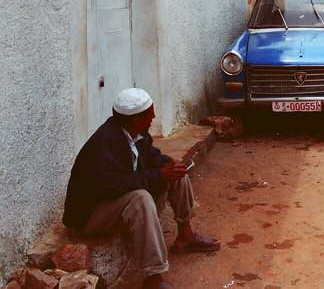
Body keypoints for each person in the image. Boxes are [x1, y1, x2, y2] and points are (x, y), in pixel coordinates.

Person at [63, 89, 219, 289]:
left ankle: (185, 236)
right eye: (149, 115)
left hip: (113, 198)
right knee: (140, 199)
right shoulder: (104, 143)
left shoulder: (138, 134)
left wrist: (168, 166)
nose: (153, 118)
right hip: (91, 216)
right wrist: (159, 175)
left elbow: (152, 157)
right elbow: (113, 187)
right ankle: (153, 278)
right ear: (135, 119)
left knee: (175, 170)